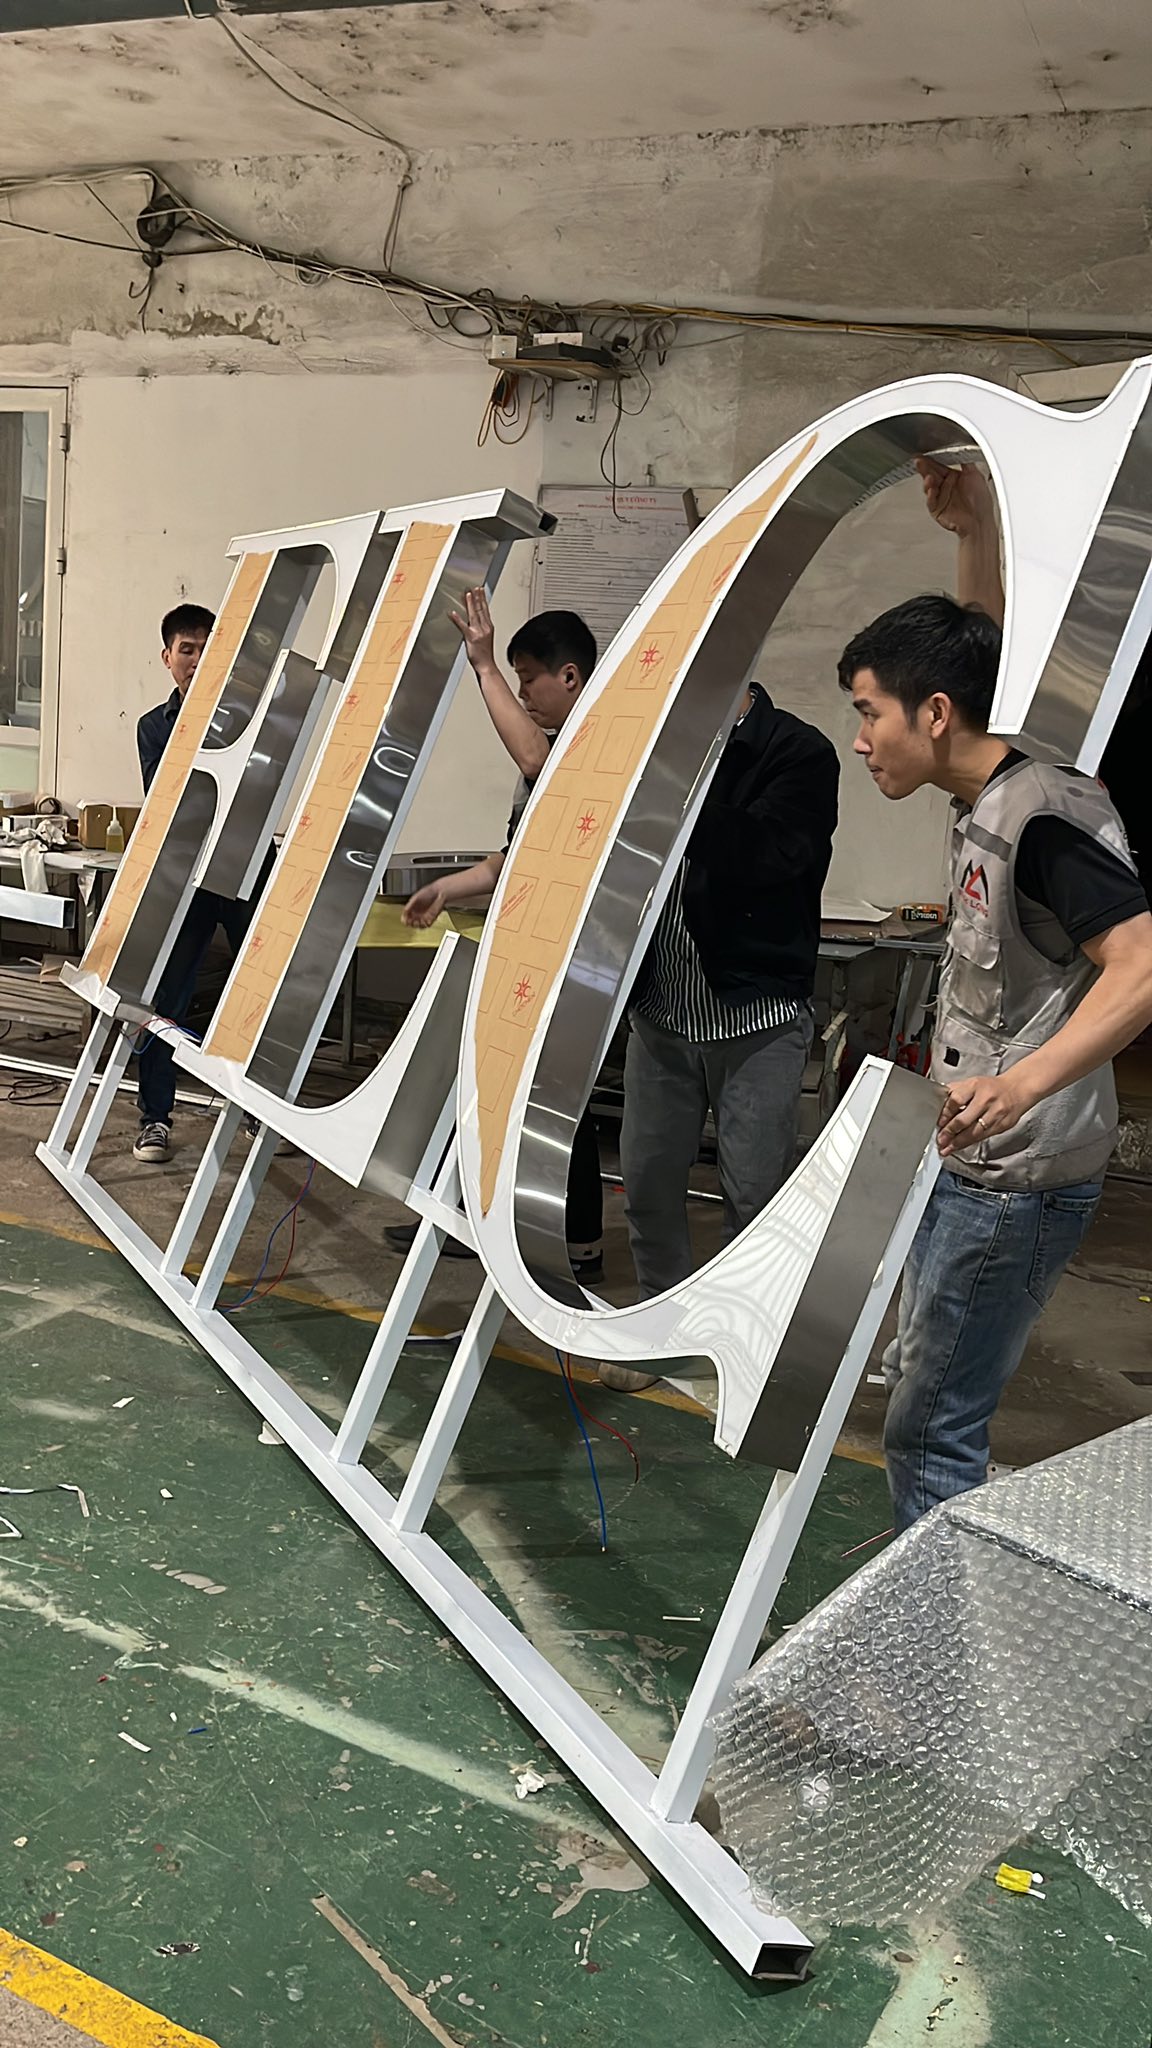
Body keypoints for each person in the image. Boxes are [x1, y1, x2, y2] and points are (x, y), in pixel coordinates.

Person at [839, 564, 1152, 1530]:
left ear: (934, 714)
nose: (860, 740)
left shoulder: (1045, 820)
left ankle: (940, 1621)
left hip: (1017, 1181)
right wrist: (972, 530)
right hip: (970, 1157)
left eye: (869, 713)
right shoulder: (986, 790)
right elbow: (980, 652)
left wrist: (1019, 1087)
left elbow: (1142, 967)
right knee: (918, 1389)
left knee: (933, 1427)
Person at [600, 684, 840, 1392]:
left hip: (757, 1021)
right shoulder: (656, 745)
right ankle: (661, 1332)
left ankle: (743, 1348)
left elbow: (770, 855)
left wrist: (672, 785)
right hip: (661, 1017)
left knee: (754, 1199)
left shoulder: (796, 751)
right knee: (647, 1185)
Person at [390, 597, 605, 1279]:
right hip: (529, 946)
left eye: (528, 679)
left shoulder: (591, 746)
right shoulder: (546, 757)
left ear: (570, 677)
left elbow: (537, 758)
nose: (523, 694)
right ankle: (474, 1216)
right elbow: (513, 856)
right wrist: (447, 888)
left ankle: (577, 1244)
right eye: (514, 680)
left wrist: (481, 664)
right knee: (499, 1086)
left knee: (558, 1098)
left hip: (571, 955)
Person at [133, 602, 272, 1164]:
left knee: (257, 991)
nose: (196, 659)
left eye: (207, 649)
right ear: (167, 657)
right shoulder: (153, 727)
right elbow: (166, 805)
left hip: (245, 869)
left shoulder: (252, 718)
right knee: (167, 994)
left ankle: (259, 1113)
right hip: (187, 878)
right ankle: (154, 1119)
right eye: (186, 650)